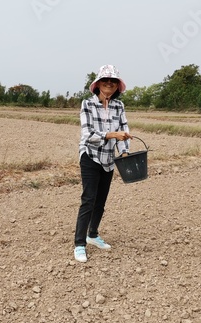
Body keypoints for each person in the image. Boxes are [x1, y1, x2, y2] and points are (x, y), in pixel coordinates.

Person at [73, 64, 132, 263]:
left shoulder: (119, 106)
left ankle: (93, 235)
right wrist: (112, 135)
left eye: (113, 81)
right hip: (90, 155)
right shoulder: (87, 105)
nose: (109, 84)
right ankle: (80, 243)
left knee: (101, 201)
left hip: (108, 159)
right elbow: (88, 135)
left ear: (117, 87)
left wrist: (124, 152)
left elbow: (124, 130)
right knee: (88, 199)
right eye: (105, 80)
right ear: (98, 84)